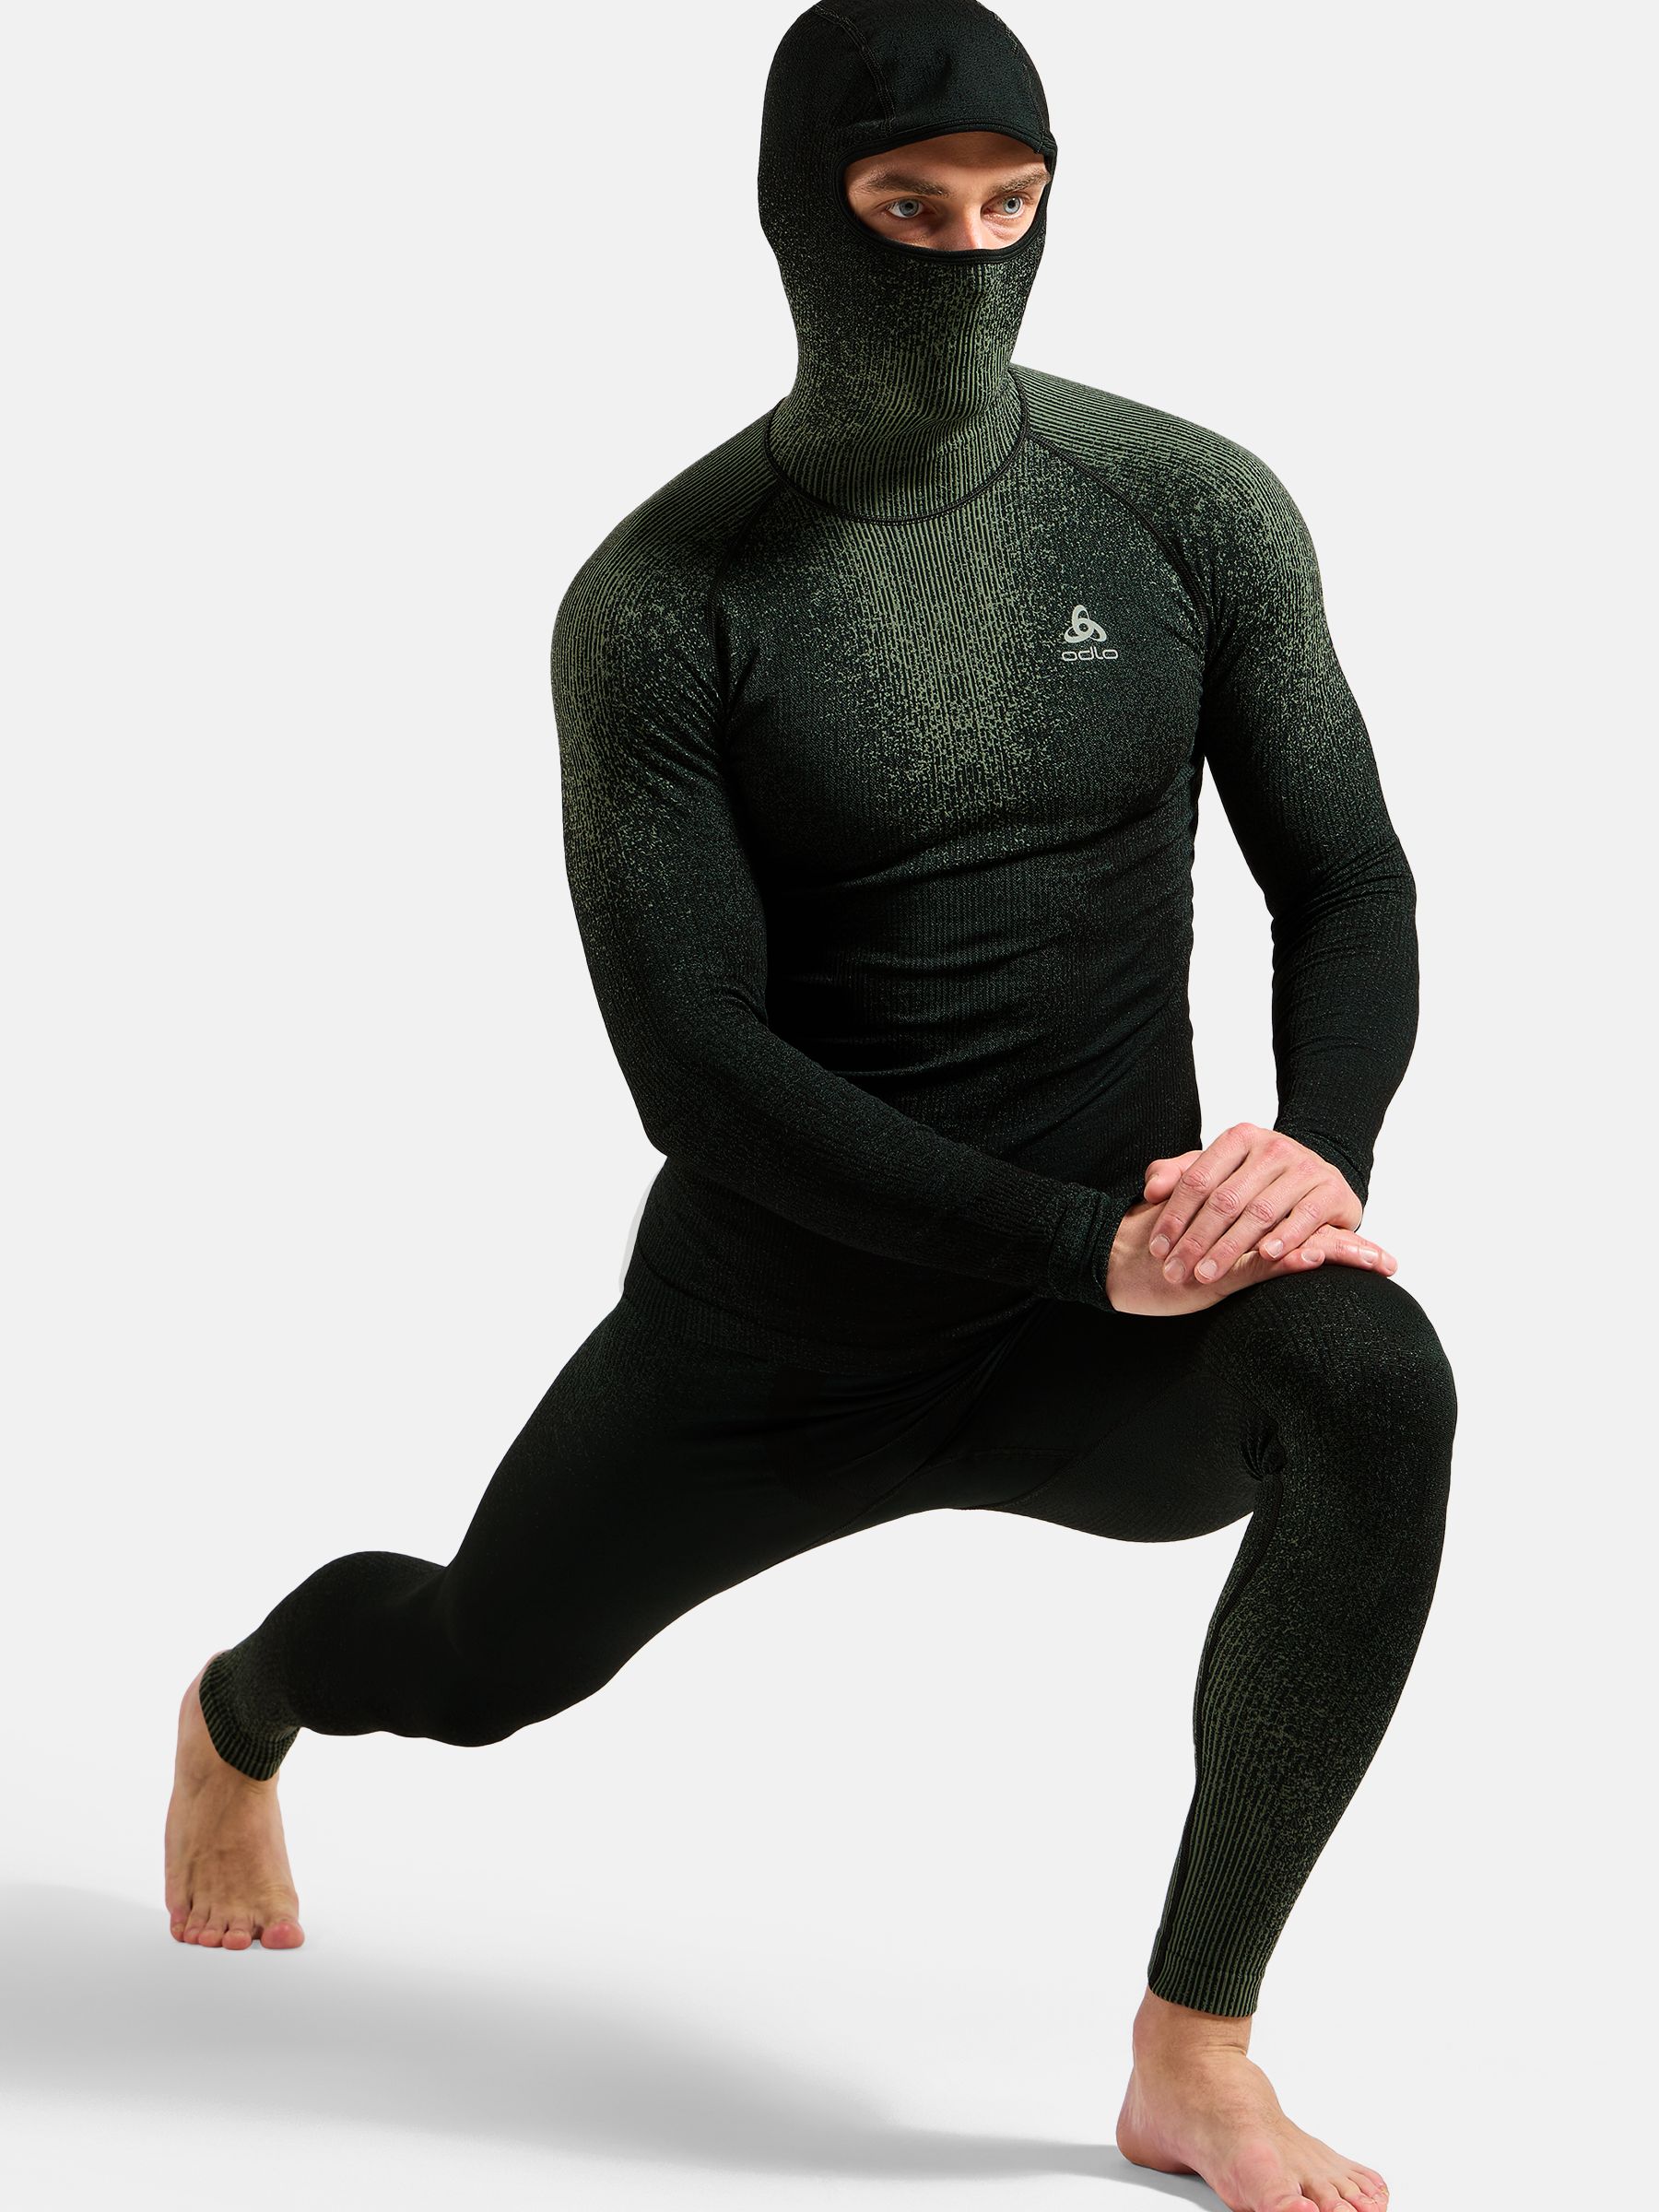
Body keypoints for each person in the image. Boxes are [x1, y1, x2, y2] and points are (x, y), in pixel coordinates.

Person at [164, 4, 1455, 2206]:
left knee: (1374, 1377)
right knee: (480, 1662)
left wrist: (1310, 1154)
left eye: (1010, 207)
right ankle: (238, 1709)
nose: (966, 255)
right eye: (906, 210)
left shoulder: (1187, 508)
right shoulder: (665, 602)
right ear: (799, 219)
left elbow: (1347, 880)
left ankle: (1196, 2053)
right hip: (777, 1334)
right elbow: (696, 1063)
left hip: (1113, 1331)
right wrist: (1080, 1246)